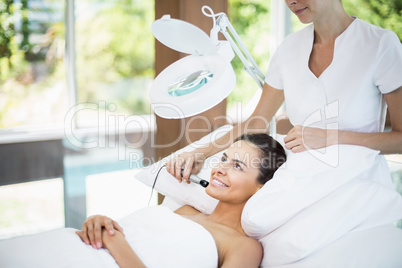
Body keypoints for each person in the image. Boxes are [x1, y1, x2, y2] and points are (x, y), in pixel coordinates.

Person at [167, 0, 402, 184]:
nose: (291, 2)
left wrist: (331, 137)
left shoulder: (380, 44)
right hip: (298, 180)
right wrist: (201, 153)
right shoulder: (289, 48)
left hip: (356, 184)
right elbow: (256, 123)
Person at [76, 133, 287, 268]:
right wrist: (100, 223)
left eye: (237, 166)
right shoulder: (185, 211)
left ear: (262, 186)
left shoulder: (244, 247)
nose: (220, 169)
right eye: (224, 159)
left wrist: (113, 240)